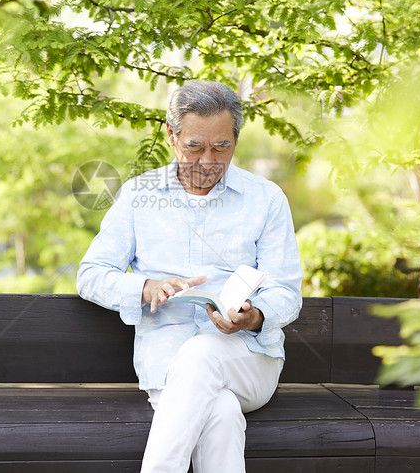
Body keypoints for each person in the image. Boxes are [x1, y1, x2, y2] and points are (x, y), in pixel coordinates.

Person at [76, 80, 303, 473]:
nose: (208, 161)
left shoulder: (265, 199)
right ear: (171, 136)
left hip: (250, 360)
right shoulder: (138, 195)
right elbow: (90, 275)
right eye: (194, 147)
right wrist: (144, 287)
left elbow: (285, 291)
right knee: (222, 416)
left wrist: (255, 316)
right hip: (167, 363)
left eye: (222, 147)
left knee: (201, 354)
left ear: (236, 138)